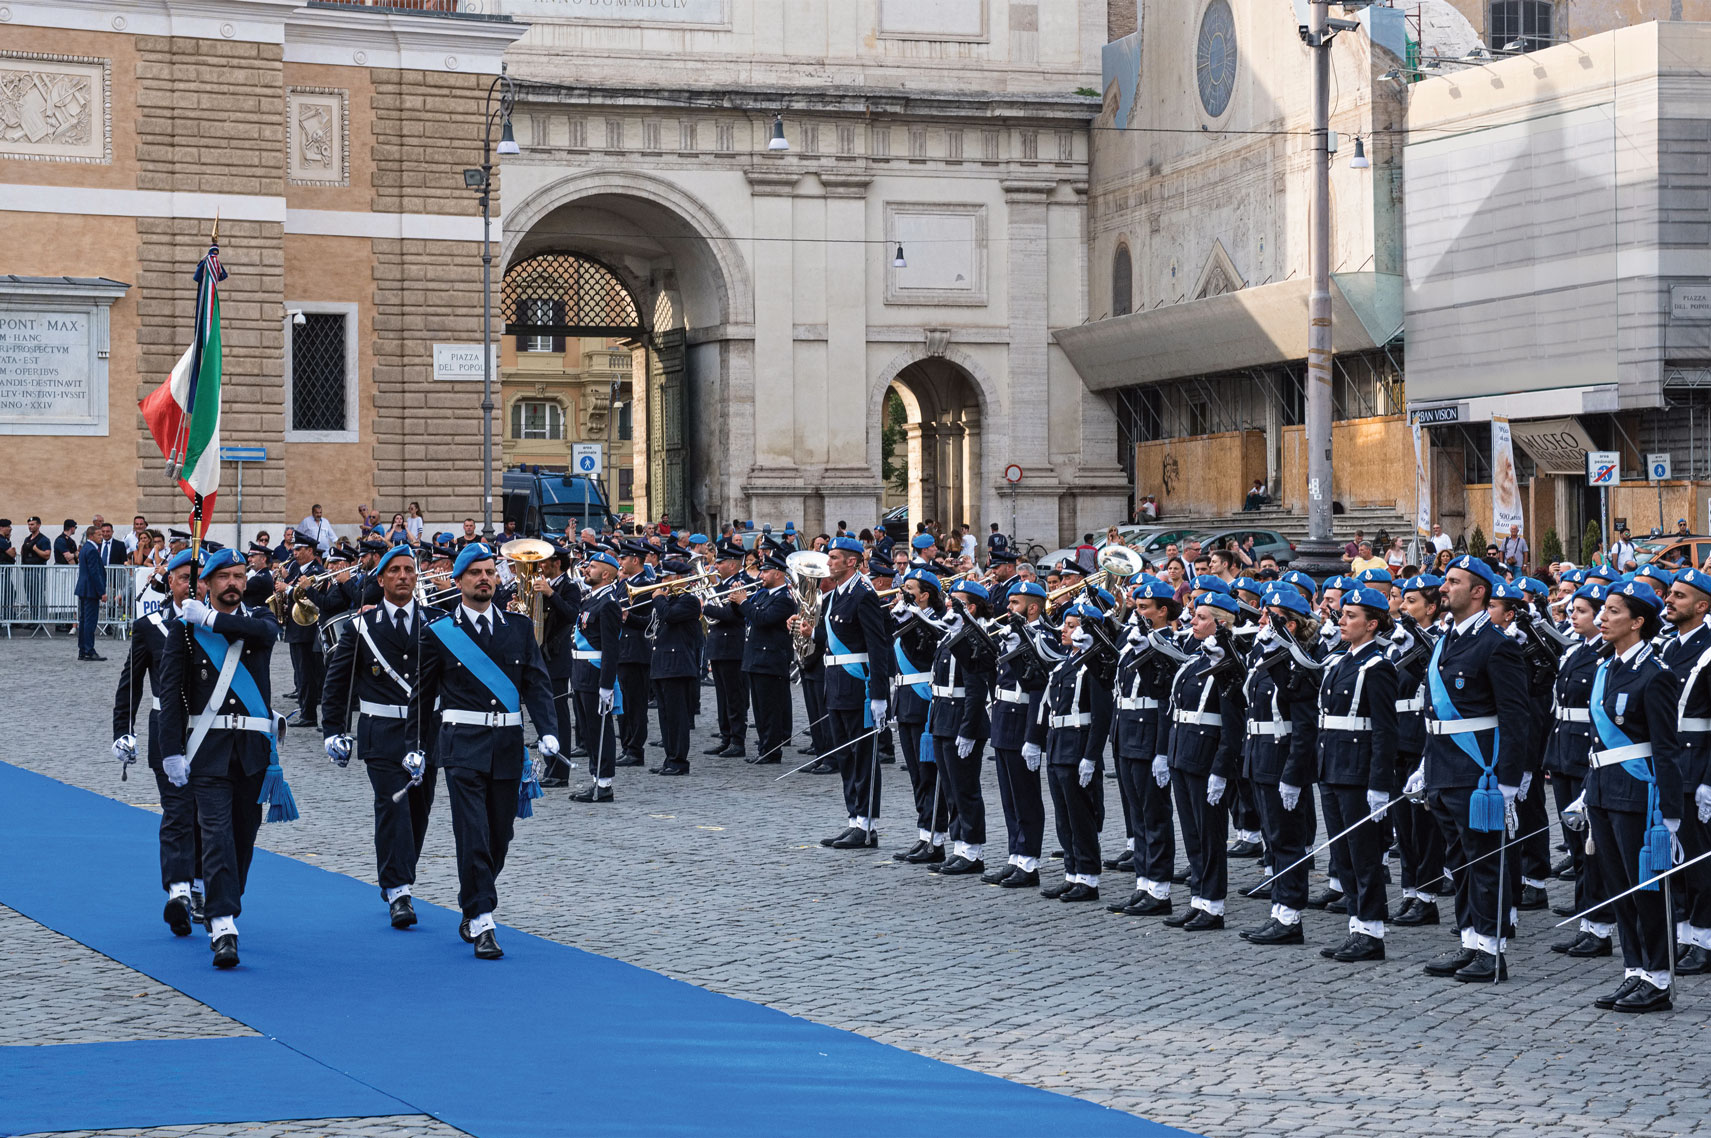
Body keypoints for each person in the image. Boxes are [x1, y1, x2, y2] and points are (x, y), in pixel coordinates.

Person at [412, 543, 558, 960]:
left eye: (490, 572)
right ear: (458, 581)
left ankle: (472, 898)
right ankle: (482, 919)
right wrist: (415, 747)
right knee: (472, 832)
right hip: (461, 746)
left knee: (499, 835)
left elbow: (536, 683)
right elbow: (421, 697)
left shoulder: (518, 627)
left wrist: (548, 730)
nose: (484, 579)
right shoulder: (439, 631)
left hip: (507, 746)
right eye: (475, 572)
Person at [157, 547, 285, 969]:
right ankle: (223, 924)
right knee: (216, 835)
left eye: (239, 576)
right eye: (224, 577)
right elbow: (171, 695)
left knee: (244, 838)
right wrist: (171, 752)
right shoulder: (184, 631)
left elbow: (264, 635)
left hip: (252, 753)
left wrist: (209, 619)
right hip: (207, 751)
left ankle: (226, 900)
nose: (233, 583)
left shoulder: (259, 619)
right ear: (207, 584)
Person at [1566, 581, 1684, 1012]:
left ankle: (1658, 978)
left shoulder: (1655, 674)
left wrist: (1670, 815)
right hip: (1603, 790)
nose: (1603, 617)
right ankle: (1634, 970)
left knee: (1646, 890)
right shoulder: (1606, 669)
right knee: (1619, 888)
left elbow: (1666, 749)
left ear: (1637, 622)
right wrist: (1587, 792)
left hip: (1639, 795)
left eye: (1613, 611)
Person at [1414, 554, 1530, 983]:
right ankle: (1471, 940)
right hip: (1444, 768)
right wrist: (1425, 766)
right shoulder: (1446, 640)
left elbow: (1516, 719)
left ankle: (1492, 949)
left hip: (1479, 772)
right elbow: (1436, 714)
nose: (1443, 588)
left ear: (1478, 591)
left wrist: (1508, 783)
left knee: (1485, 861)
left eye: (1453, 581)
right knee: (1459, 861)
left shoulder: (1497, 645)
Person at [320, 545, 434, 929]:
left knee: (418, 812)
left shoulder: (435, 622)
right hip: (382, 731)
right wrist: (333, 730)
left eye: (409, 570)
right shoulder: (361, 626)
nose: (403, 576)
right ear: (381, 579)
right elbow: (337, 682)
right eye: (395, 570)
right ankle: (399, 889)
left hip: (425, 733)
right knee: (392, 808)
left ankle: (400, 874)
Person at [112, 549, 203, 935]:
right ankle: (179, 892)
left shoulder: (218, 623)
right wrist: (123, 730)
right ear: (170, 582)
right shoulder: (150, 626)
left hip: (211, 731)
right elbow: (130, 683)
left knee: (208, 813)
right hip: (167, 728)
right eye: (184, 579)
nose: (192, 586)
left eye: (198, 579)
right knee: (178, 811)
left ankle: (200, 885)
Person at [1314, 586, 1400, 962]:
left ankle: (1372, 931)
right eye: (1343, 614)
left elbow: (1385, 730)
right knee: (1343, 854)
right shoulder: (1339, 662)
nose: (1342, 621)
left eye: (1351, 616)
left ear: (1372, 624)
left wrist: (1379, 784)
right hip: (1333, 767)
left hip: (1358, 772)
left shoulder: (1378, 667)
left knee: (1364, 856)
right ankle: (1356, 925)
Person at [1235, 586, 1320, 944]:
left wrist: (1294, 775)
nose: (1261, 621)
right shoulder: (1268, 657)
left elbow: (1305, 727)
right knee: (1274, 839)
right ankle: (1279, 910)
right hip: (1260, 757)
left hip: (1281, 760)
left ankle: (1290, 916)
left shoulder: (1298, 663)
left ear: (1291, 625)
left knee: (1287, 841)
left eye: (1270, 617)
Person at [803, 535, 893, 849]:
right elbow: (836, 637)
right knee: (845, 756)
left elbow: (877, 647)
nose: (828, 562)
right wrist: (810, 632)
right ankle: (854, 819)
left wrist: (879, 695)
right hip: (836, 684)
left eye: (834, 557)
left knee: (863, 756)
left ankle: (867, 825)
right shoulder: (836, 595)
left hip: (857, 685)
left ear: (851, 561)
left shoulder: (863, 594)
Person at [1161, 592, 1244, 929]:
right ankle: (1198, 898)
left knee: (1210, 836)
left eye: (1201, 617)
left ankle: (1213, 903)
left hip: (1206, 758)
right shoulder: (1197, 658)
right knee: (1193, 834)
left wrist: (1221, 770)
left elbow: (1233, 723)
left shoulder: (1228, 663)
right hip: (1183, 754)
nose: (1192, 621)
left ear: (1220, 624)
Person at [1108, 579, 1186, 917]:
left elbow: (1165, 702)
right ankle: (1143, 883)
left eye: (1144, 608)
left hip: (1148, 737)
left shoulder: (1168, 646)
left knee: (1154, 816)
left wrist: (1161, 751)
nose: (1138, 613)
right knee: (1137, 816)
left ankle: (1159, 888)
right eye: (1137, 607)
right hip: (1126, 735)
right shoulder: (1134, 642)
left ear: (1163, 611)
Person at [1545, 581, 1613, 960]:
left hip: (1586, 751)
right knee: (1575, 844)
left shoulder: (1605, 654)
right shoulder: (1574, 651)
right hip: (1564, 751)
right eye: (1572, 610)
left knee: (1592, 845)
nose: (1573, 616)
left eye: (1582, 611)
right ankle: (1584, 914)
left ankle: (1597, 925)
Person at [1034, 604, 1115, 901]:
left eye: (1071, 626)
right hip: (1059, 746)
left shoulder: (1094, 665)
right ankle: (1072, 873)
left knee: (1081, 817)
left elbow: (1101, 717)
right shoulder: (1065, 663)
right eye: (1065, 625)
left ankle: (1088, 878)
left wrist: (1091, 757)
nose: (1064, 631)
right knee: (1064, 817)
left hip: (1078, 748)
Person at [1658, 567, 1711, 974]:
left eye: (1679, 595)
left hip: (1697, 765)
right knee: (1674, 856)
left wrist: (1709, 779)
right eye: (1670, 593)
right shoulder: (1667, 647)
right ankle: (1682, 934)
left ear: (1702, 606)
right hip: (1669, 765)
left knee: (1699, 860)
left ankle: (1704, 939)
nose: (1669, 600)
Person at [925, 579, 995, 875]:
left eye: (957, 602)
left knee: (965, 789)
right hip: (943, 717)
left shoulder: (975, 638)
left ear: (972, 608)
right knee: (951, 789)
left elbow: (976, 690)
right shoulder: (951, 633)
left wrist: (968, 729)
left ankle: (973, 850)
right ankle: (960, 846)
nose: (949, 605)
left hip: (963, 719)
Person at [890, 569, 950, 864]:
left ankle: (936, 838)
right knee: (916, 775)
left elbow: (922, 653)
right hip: (905, 702)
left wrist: (909, 622)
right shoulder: (907, 617)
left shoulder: (938, 622)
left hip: (923, 700)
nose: (903, 592)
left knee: (929, 775)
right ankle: (924, 832)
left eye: (909, 588)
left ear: (925, 595)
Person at [568, 550, 623, 802]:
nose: (586, 570)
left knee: (600, 730)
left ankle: (604, 783)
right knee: (588, 731)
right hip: (581, 672)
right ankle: (595, 779)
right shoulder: (591, 599)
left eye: (592, 567)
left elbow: (611, 648)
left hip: (595, 672)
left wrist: (606, 685)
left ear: (606, 574)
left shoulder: (608, 603)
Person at [739, 551, 797, 766]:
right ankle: (764, 747)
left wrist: (743, 603)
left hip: (771, 659)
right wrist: (737, 602)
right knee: (760, 709)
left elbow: (763, 618)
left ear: (778, 574)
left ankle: (772, 751)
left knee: (770, 708)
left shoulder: (784, 599)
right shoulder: (764, 594)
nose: (761, 575)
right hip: (756, 658)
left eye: (765, 571)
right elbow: (748, 615)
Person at [648, 559, 703, 777]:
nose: (661, 582)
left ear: (678, 579)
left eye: (665, 578)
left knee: (677, 717)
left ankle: (679, 761)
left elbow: (669, 616)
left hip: (677, 666)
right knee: (665, 716)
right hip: (663, 664)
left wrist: (659, 598)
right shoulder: (671, 600)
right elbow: (654, 623)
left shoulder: (689, 601)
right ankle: (670, 758)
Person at [700, 544, 752, 758]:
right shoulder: (723, 585)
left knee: (734, 696)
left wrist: (704, 607)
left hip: (732, 647)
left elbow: (732, 615)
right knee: (722, 697)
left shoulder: (742, 584)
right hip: (718, 646)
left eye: (720, 563)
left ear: (732, 565)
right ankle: (726, 737)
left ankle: (737, 741)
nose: (716, 566)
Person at [276, 535, 325, 728]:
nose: (294, 553)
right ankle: (305, 710)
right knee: (299, 673)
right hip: (295, 627)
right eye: (294, 549)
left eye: (299, 549)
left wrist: (287, 589)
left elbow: (309, 598)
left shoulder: (316, 571)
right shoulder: (297, 569)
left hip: (306, 629)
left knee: (307, 674)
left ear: (310, 551)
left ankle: (309, 714)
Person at [613, 542, 654, 765]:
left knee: (636, 704)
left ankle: (635, 749)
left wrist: (628, 617)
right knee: (623, 703)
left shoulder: (646, 585)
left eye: (624, 558)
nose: (620, 562)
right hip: (622, 650)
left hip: (636, 651)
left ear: (635, 560)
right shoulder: (624, 584)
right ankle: (626, 744)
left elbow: (649, 622)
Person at [75, 523, 108, 660]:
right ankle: (89, 649)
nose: (102, 537)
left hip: (84, 588)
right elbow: (95, 573)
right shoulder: (92, 550)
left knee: (84, 621)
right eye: (99, 535)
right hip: (90, 590)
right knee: (90, 621)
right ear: (91, 536)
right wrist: (102, 591)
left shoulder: (85, 548)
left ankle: (83, 649)